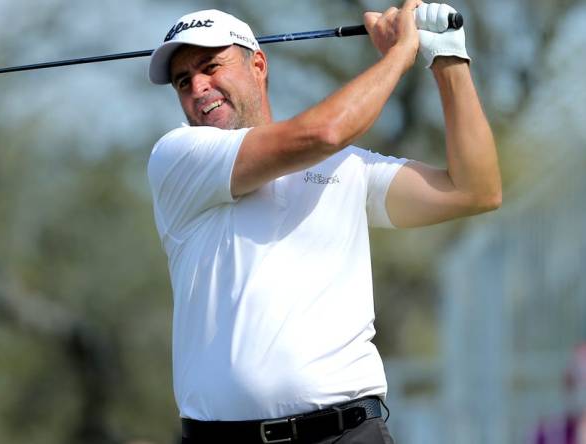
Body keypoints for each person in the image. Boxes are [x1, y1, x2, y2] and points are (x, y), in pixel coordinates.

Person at [146, 1, 501, 443]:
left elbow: (476, 190)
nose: (198, 86)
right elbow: (324, 132)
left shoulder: (348, 168)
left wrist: (447, 57)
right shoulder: (177, 158)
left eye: (211, 66)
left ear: (258, 64)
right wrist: (399, 54)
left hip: (346, 435)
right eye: (184, 81)